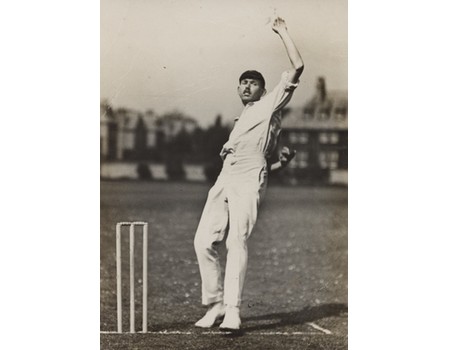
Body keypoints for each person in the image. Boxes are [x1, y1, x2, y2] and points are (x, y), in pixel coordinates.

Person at [194, 16, 304, 331]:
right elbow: (259, 162)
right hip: (226, 177)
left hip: (247, 175)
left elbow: (297, 67)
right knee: (202, 240)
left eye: (253, 82)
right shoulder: (241, 119)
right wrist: (280, 164)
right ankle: (214, 304)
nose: (246, 85)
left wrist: (283, 30)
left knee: (236, 241)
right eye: (243, 81)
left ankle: (233, 311)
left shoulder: (270, 105)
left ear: (263, 89)